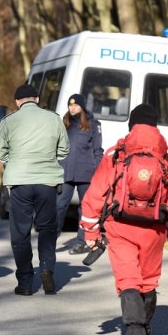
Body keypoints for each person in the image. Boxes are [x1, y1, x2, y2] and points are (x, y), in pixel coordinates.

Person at [80, 104, 168, 335]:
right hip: (154, 231)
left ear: (132, 125)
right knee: (148, 282)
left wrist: (91, 232)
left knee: (128, 281)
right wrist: (158, 207)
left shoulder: (116, 153)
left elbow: (95, 193)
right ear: (156, 125)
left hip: (120, 228)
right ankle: (145, 331)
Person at [0, 84, 69, 295]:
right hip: (47, 181)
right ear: (37, 98)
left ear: (17, 102)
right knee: (47, 228)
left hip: (19, 181)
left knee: (20, 233)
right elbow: (64, 150)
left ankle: (25, 282)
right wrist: (50, 160)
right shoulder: (54, 119)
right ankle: (46, 268)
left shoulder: (9, 121)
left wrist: (15, 161)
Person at [56, 93, 103, 254]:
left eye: (76, 105)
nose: (72, 108)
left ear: (82, 107)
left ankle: (81, 241)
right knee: (59, 206)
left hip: (86, 173)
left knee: (85, 209)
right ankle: (51, 238)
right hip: (65, 172)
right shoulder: (63, 123)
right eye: (70, 105)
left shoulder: (92, 125)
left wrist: (98, 173)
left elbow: (98, 151)